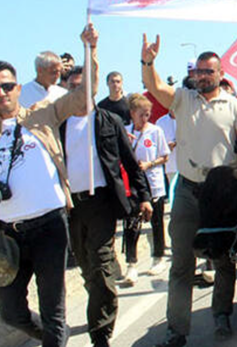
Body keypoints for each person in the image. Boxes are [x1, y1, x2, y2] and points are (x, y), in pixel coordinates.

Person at [141, 35, 237, 347]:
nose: (203, 76)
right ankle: (176, 330)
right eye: (199, 71)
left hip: (220, 195)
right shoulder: (183, 99)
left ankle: (221, 314)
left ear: (221, 74)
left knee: (223, 260)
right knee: (182, 264)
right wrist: (148, 62)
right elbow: (155, 86)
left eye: (209, 71)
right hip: (187, 192)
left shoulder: (234, 104)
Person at [0, 24, 98, 346]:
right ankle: (53, 337)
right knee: (11, 313)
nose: (1, 93)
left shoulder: (43, 114)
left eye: (6, 86)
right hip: (8, 233)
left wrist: (90, 50)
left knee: (54, 310)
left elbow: (83, 97)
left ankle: (54, 336)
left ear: (18, 88)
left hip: (50, 226)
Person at [61, 67, 152, 347]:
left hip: (101, 202)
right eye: (73, 87)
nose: (78, 92)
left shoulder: (108, 121)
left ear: (93, 88)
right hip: (70, 206)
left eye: (83, 86)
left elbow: (129, 161)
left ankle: (100, 333)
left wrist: (144, 196)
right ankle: (102, 300)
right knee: (86, 266)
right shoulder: (59, 125)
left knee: (100, 265)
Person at [123, 93, 170, 285]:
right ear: (132, 113)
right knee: (132, 223)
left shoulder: (155, 131)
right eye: (141, 114)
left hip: (153, 181)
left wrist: (150, 164)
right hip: (133, 184)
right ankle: (131, 263)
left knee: (156, 221)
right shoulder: (125, 131)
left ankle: (158, 257)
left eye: (147, 114)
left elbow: (165, 156)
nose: (144, 118)